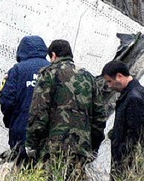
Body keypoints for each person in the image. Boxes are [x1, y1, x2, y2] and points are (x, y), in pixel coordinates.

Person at [25, 39, 106, 171]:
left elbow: (39, 111)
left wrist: (31, 144)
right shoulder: (89, 77)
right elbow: (100, 117)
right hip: (81, 148)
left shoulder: (48, 74)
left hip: (52, 148)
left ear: (53, 55)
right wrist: (93, 146)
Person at [0, 35, 50, 164]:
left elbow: (7, 100)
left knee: (22, 169)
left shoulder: (17, 70)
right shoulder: (52, 69)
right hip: (48, 132)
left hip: (21, 129)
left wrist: (10, 122)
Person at [102, 60, 144, 178]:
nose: (109, 86)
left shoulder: (133, 98)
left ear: (119, 76)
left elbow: (136, 134)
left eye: (110, 81)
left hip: (131, 163)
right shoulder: (132, 93)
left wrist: (123, 156)